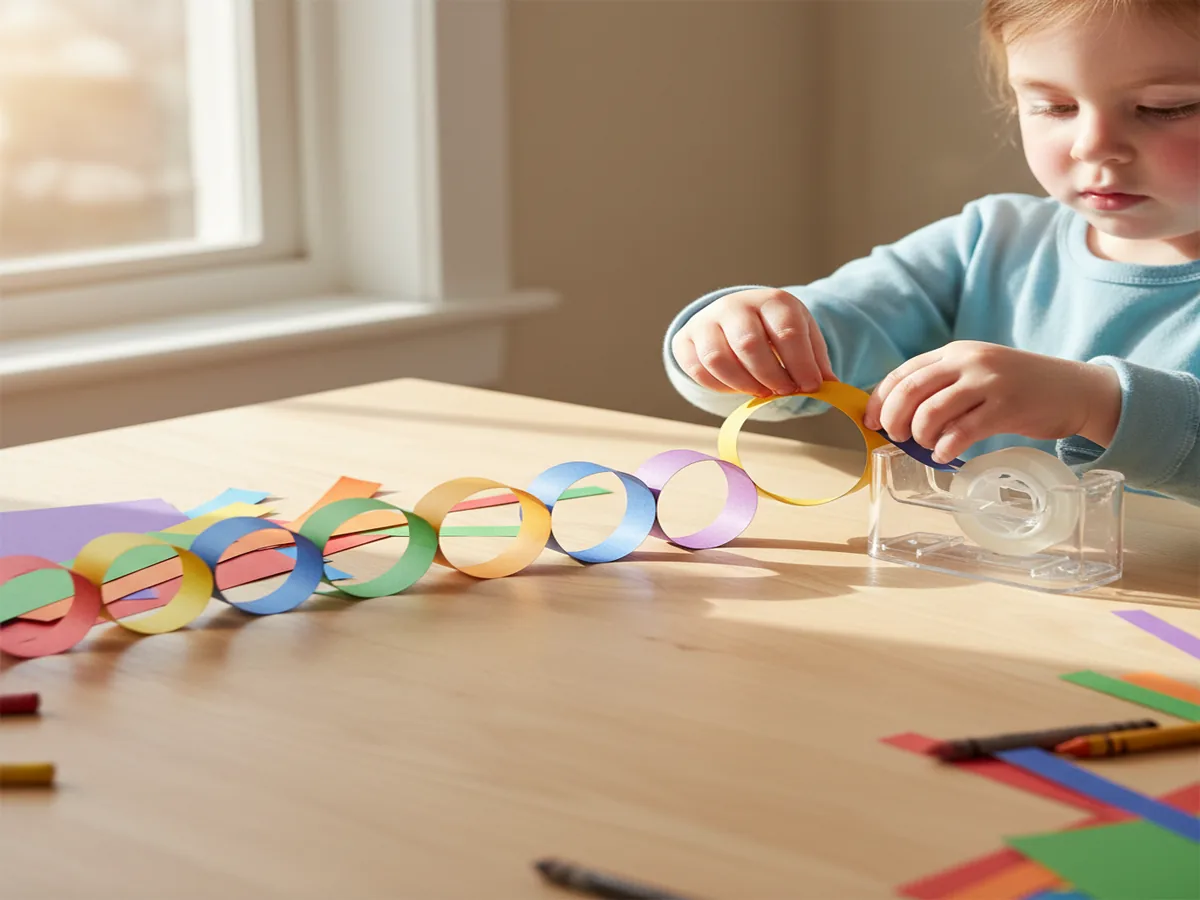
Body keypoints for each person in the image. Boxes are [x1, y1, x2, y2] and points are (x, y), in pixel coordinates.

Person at [664, 0, 1200, 504]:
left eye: (1166, 108)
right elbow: (830, 331)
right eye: (1053, 106)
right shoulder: (990, 242)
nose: (1093, 144)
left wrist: (1096, 404)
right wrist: (742, 335)